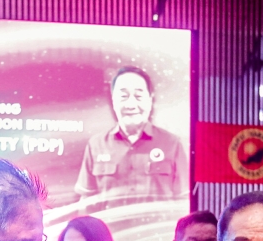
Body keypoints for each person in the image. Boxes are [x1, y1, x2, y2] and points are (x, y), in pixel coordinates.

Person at [74, 66, 188, 208]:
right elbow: (86, 203)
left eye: (138, 96)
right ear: (113, 100)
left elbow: (183, 203)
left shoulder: (172, 144)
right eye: (123, 96)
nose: (131, 104)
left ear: (150, 100)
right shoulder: (96, 145)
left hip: (157, 229)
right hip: (110, 230)